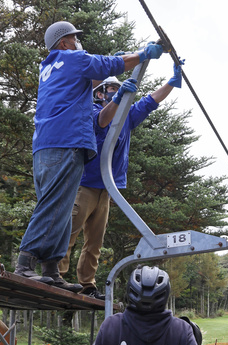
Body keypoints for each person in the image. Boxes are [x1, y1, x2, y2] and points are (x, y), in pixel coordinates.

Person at [14, 20, 164, 291]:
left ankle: (52, 269)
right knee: (54, 205)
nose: (76, 42)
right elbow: (107, 66)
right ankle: (25, 263)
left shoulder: (50, 67)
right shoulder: (70, 58)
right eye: (73, 38)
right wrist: (142, 55)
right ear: (63, 43)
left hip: (48, 145)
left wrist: (124, 69)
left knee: (61, 209)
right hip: (65, 142)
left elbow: (98, 75)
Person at [59, 62, 183, 299]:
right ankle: (57, 275)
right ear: (100, 93)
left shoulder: (126, 116)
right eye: (113, 89)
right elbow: (103, 122)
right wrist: (118, 100)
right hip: (84, 184)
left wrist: (171, 83)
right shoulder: (93, 111)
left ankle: (87, 283)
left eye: (119, 89)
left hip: (106, 187)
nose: (118, 93)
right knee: (69, 232)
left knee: (95, 240)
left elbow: (149, 102)